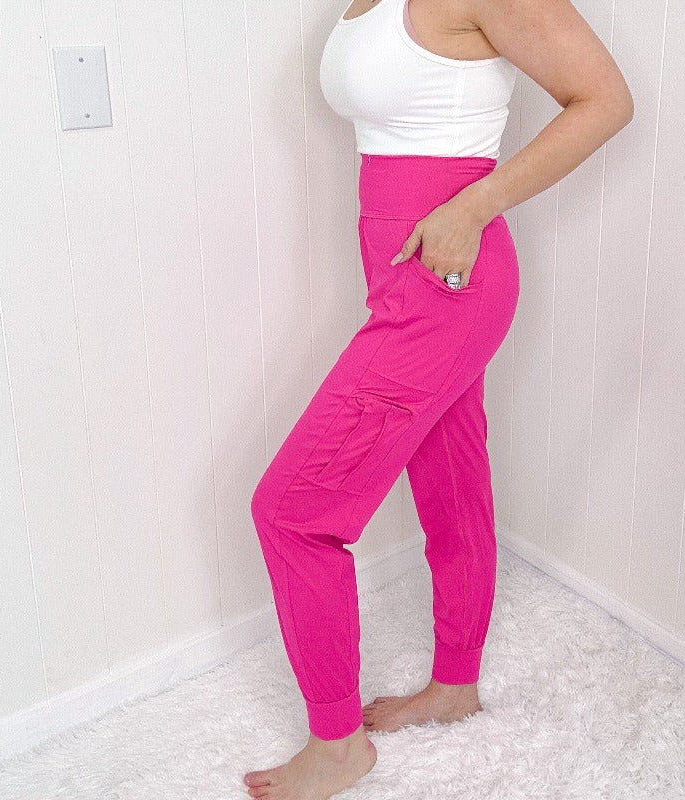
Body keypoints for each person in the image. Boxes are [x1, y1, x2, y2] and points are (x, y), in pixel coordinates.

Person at [244, 0, 633, 797]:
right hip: (408, 273)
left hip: (446, 277)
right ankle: (455, 685)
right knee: (450, 480)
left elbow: (605, 100)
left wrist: (474, 204)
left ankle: (337, 744)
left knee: (293, 511)